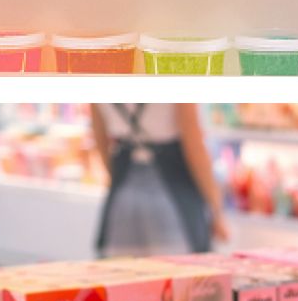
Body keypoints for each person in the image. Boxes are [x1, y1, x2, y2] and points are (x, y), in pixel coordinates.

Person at [92, 103, 228, 254]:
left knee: (123, 273)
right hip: (172, 198)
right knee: (179, 273)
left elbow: (99, 138)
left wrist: (115, 177)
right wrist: (216, 209)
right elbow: (194, 146)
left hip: (122, 197)